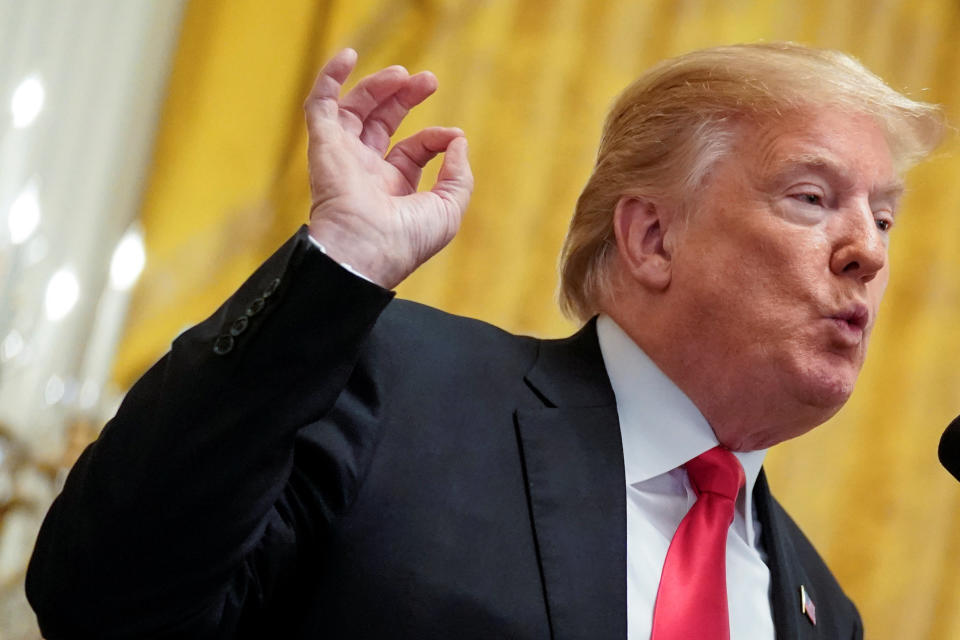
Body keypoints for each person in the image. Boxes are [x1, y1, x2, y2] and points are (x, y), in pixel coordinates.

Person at [26, 42, 943, 639]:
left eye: (886, 218)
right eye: (813, 199)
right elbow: (102, 598)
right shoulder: (396, 389)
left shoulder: (824, 612)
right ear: (653, 238)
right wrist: (336, 265)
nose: (867, 251)